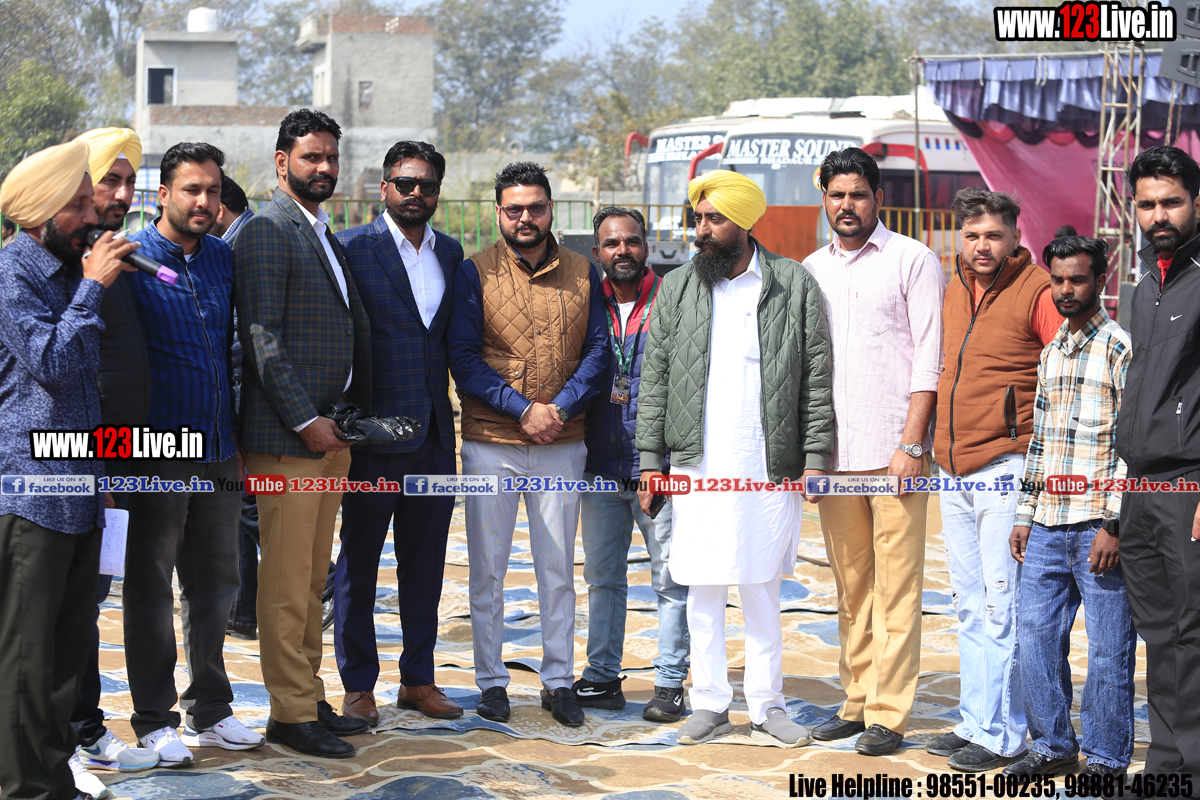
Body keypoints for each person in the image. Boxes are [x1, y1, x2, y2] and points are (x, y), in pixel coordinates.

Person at [636, 169, 833, 748]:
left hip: (767, 462)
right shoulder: (678, 287)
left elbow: (816, 375)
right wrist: (650, 462)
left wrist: (815, 455)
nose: (702, 230)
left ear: (744, 222)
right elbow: (656, 377)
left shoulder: (791, 284)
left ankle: (768, 705)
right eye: (698, 218)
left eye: (714, 219)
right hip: (695, 463)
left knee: (761, 585)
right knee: (701, 585)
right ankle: (710, 702)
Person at [448, 161, 609, 728]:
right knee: (488, 569)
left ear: (551, 210)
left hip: (562, 441)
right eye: (514, 209)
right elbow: (463, 357)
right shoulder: (474, 273)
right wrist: (523, 409)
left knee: (557, 568)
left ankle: (559, 680)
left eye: (535, 207)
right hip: (492, 442)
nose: (525, 218)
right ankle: (491, 682)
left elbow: (598, 352)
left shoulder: (583, 272)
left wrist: (558, 410)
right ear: (498, 213)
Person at [0, 139, 138, 800]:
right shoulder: (14, 273)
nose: (93, 214)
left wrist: (102, 477)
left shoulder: (63, 270)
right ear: (41, 212)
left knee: (63, 658)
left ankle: (54, 780)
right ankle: (22, 789)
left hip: (80, 490)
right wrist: (92, 288)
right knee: (27, 661)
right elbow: (53, 364)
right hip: (32, 498)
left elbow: (83, 388)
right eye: (78, 203)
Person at [233, 108, 373, 759]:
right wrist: (304, 420)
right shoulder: (268, 229)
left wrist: (338, 421)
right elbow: (261, 336)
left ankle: (308, 697)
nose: (324, 168)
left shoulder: (320, 231)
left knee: (313, 578)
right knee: (287, 584)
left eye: (331, 157)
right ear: (281, 161)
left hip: (329, 437)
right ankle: (288, 714)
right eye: (311, 156)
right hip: (289, 440)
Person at [121, 142, 262, 766]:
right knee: (151, 585)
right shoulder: (131, 261)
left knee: (216, 584)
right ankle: (154, 719)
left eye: (212, 190)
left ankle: (212, 708)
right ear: (164, 195)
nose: (203, 201)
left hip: (219, 447)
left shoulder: (223, 258)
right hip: (156, 449)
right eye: (191, 190)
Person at [801, 147, 945, 756]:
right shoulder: (811, 269)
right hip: (836, 458)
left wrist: (912, 444)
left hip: (894, 456)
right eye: (836, 195)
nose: (847, 205)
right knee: (851, 588)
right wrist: (811, 456)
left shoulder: (913, 260)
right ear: (825, 200)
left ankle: (889, 712)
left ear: (877, 198)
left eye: (857, 194)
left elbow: (930, 358)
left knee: (898, 589)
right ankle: (857, 699)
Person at [930, 188, 1063, 773]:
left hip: (1006, 467)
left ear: (1014, 236)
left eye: (993, 235)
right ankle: (975, 721)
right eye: (972, 235)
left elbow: (1062, 370)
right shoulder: (953, 285)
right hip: (952, 468)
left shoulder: (1037, 289)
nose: (982, 245)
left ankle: (1004, 736)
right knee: (968, 603)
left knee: (1002, 604)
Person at [332, 141, 463, 726]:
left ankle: (418, 679)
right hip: (373, 437)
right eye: (405, 183)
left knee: (425, 563)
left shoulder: (451, 252)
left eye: (426, 185)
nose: (416, 193)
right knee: (358, 563)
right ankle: (358, 685)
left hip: (434, 436)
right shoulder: (351, 248)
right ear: (384, 187)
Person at [1006, 236, 1135, 779]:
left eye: (1077, 279)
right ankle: (1052, 745)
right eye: (1057, 280)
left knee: (1107, 649)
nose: (1065, 290)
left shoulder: (1120, 348)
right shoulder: (1052, 350)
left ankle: (1106, 756)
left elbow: (1131, 443)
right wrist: (1024, 514)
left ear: (1100, 281)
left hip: (1097, 525)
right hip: (1046, 524)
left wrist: (1114, 522)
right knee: (1035, 638)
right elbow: (1040, 442)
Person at [68, 127, 159, 797]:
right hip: (76, 465)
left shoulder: (117, 257)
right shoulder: (66, 264)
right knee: (61, 608)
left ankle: (86, 730)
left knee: (89, 603)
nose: (123, 194)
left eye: (130, 182)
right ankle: (60, 742)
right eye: (110, 180)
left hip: (122, 460)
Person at [574, 206, 689, 722]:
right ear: (596, 251)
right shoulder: (583, 305)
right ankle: (602, 677)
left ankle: (670, 683)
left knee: (671, 580)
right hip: (598, 466)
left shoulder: (673, 300)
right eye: (612, 243)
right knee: (602, 579)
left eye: (632, 241)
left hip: (660, 470)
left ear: (646, 246)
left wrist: (662, 461)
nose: (623, 250)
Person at [1116, 145, 1200, 780]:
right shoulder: (1145, 286)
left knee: (1194, 635)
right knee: (1160, 633)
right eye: (1146, 205)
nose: (1158, 215)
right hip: (1141, 486)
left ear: (1197, 203)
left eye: (1171, 202)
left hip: (1189, 484)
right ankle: (1167, 769)